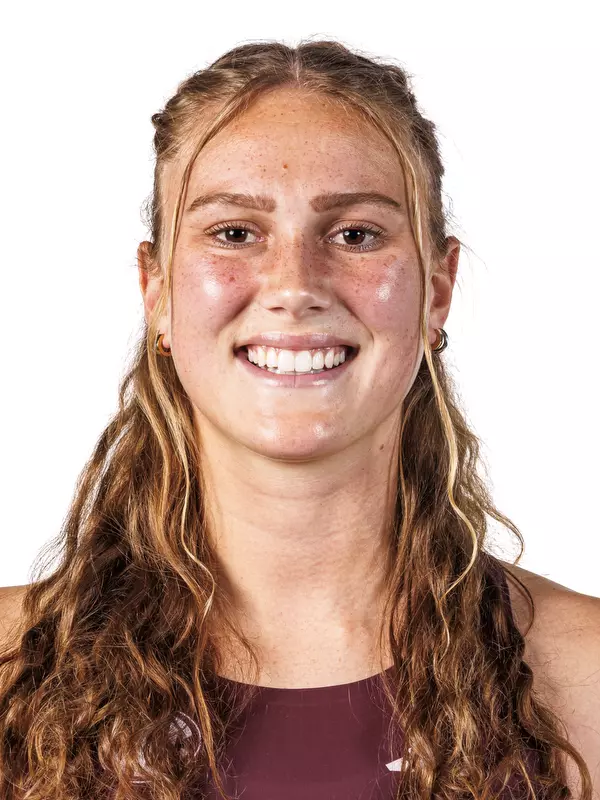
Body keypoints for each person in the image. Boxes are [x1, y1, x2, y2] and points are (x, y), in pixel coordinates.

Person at [0, 38, 598, 800]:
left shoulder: (584, 679)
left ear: (438, 290)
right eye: (235, 233)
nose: (294, 286)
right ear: (156, 290)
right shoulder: (12, 673)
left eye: (355, 234)